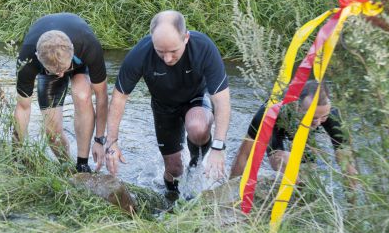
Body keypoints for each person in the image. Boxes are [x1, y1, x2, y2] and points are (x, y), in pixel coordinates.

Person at [105, 10, 231, 195]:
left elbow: (222, 101)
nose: (167, 59)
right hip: (164, 107)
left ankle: (196, 163)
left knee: (197, 127)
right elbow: (119, 98)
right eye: (160, 52)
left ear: (186, 38)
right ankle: (171, 199)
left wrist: (218, 147)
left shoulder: (203, 47)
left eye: (173, 51)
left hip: (195, 99)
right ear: (152, 41)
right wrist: (111, 143)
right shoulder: (141, 54)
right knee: (174, 169)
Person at [14, 13, 108, 172]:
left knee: (82, 94)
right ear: (37, 56)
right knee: (51, 131)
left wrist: (99, 140)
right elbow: (23, 108)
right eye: (55, 71)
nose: (60, 75)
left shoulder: (88, 45)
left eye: (63, 70)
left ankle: (82, 164)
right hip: (46, 62)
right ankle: (67, 168)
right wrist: (16, 153)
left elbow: (102, 96)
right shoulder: (27, 59)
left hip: (78, 61)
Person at [229, 80, 358, 183]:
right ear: (297, 106)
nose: (318, 122)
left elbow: (348, 161)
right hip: (278, 127)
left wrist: (352, 209)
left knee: (311, 175)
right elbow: (244, 156)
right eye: (312, 118)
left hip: (304, 133)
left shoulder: (332, 114)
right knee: (285, 161)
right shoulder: (270, 111)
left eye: (323, 117)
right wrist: (230, 190)